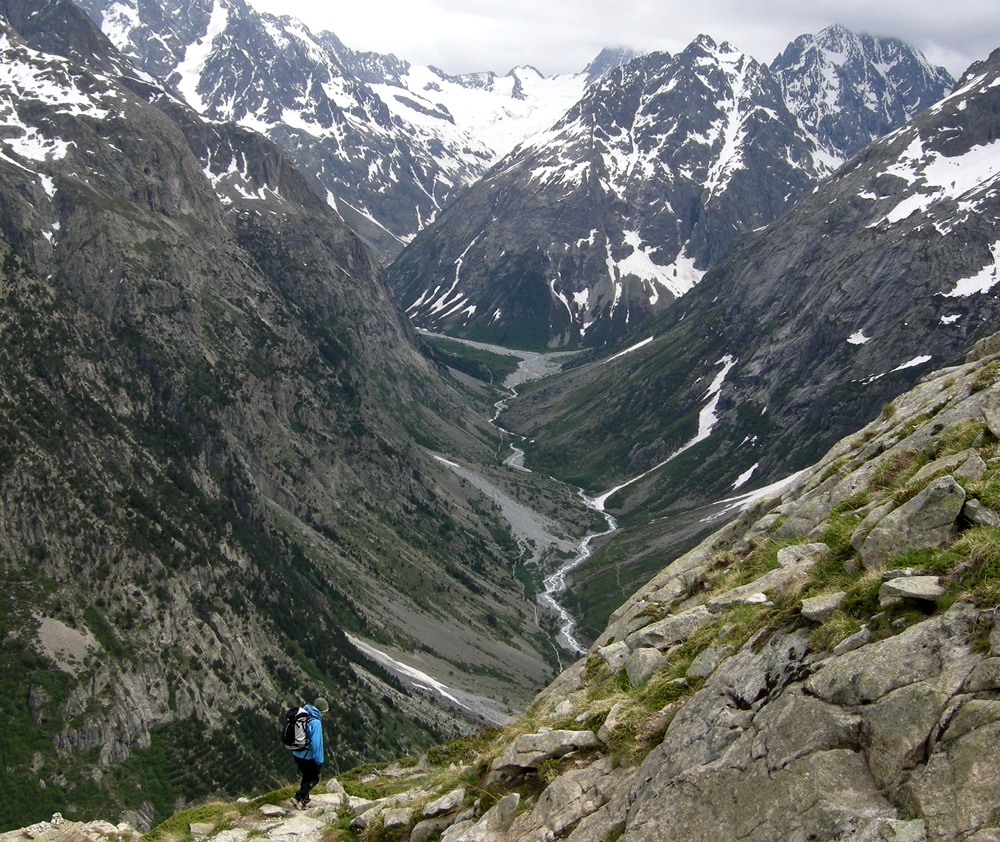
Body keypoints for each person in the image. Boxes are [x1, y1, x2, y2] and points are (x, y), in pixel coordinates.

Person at [291, 697, 328, 809]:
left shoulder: (305, 714)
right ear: (322, 711)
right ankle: (298, 797)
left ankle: (304, 799)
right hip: (307, 756)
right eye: (326, 712)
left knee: (307, 776)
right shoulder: (316, 722)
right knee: (315, 778)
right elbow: (316, 744)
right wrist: (319, 760)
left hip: (297, 753)